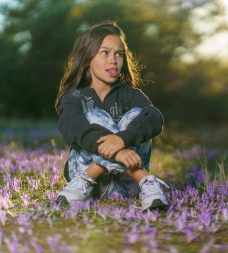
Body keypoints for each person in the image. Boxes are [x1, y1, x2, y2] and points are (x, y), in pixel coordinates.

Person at [54, 20, 169, 211]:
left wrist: (122, 139)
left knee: (139, 114)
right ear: (86, 58)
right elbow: (73, 127)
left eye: (119, 54)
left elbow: (155, 118)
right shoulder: (73, 97)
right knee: (96, 116)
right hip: (88, 180)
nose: (113, 60)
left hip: (125, 184)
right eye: (105, 53)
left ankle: (143, 185)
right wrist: (117, 150)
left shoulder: (130, 93)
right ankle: (145, 179)